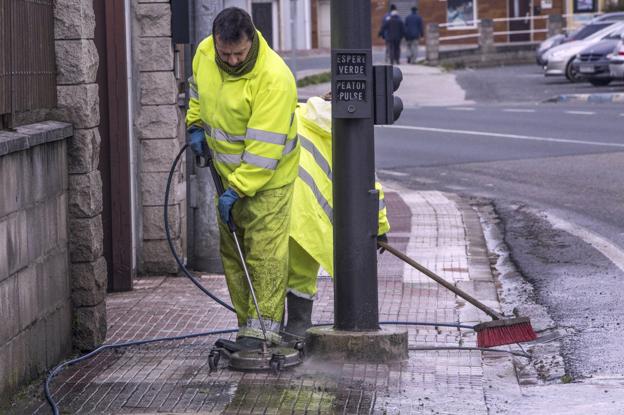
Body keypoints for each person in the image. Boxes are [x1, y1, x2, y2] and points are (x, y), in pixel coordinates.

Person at [186, 7, 300, 349]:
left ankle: (263, 330)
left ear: (252, 40)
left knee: (264, 255)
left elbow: (263, 153)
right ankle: (246, 326)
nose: (232, 60)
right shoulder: (205, 52)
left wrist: (236, 190)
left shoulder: (274, 78)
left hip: (268, 182)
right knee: (234, 255)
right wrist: (194, 126)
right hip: (226, 177)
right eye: (226, 53)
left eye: (239, 53)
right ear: (215, 42)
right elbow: (197, 92)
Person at [283, 95, 391, 340]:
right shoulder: (350, 131)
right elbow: (369, 187)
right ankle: (297, 331)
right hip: (309, 219)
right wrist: (379, 227)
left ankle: (267, 332)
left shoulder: (297, 113)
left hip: (277, 205)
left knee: (271, 270)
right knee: (300, 276)